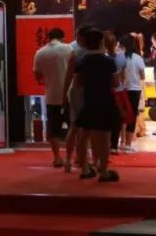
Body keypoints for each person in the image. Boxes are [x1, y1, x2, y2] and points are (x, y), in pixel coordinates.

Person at [73, 29, 121, 181]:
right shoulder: (109, 62)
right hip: (105, 102)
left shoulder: (81, 62)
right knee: (104, 138)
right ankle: (104, 171)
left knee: (83, 136)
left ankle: (85, 169)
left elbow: (78, 84)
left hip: (88, 102)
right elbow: (116, 83)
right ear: (101, 42)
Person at [33, 27, 73, 167]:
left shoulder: (40, 52)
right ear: (62, 38)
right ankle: (72, 157)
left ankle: (57, 157)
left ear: (48, 37)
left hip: (51, 95)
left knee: (53, 129)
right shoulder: (68, 49)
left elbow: (37, 75)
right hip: (70, 95)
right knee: (73, 127)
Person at [63, 25, 92, 172]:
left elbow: (68, 76)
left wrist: (64, 93)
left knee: (74, 127)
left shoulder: (75, 53)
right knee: (86, 130)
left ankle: (68, 160)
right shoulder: (95, 53)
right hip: (88, 93)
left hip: (75, 91)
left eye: (78, 35)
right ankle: (83, 161)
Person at [119, 34, 145, 152]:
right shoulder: (137, 58)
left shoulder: (119, 57)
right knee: (132, 116)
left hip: (122, 89)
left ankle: (121, 141)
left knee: (122, 116)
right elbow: (142, 76)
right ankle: (128, 144)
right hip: (135, 89)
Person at [106, 33, 126, 154]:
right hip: (118, 91)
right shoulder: (121, 57)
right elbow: (123, 77)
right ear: (115, 43)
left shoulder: (102, 58)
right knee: (117, 119)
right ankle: (114, 145)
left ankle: (105, 144)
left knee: (105, 119)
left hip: (104, 92)